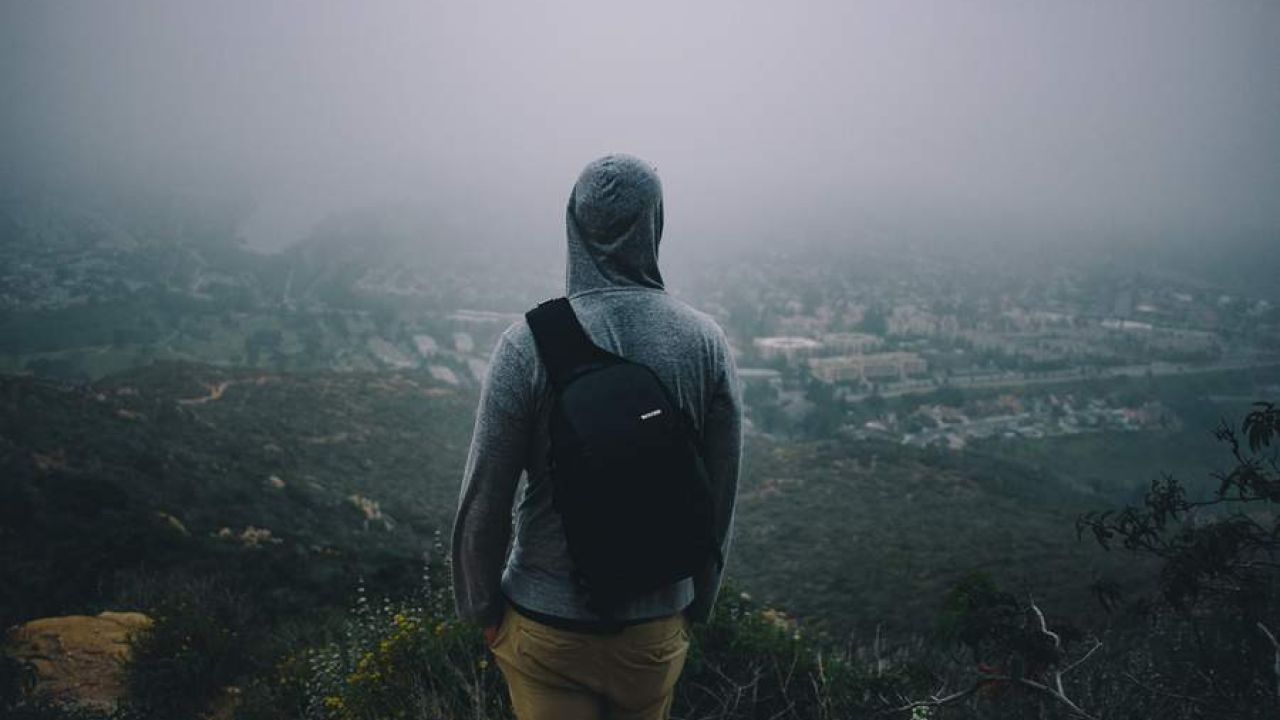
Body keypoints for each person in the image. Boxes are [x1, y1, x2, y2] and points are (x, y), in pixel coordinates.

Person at [451, 153, 743, 720]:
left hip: (545, 626)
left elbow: (486, 494)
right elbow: (721, 494)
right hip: (654, 629)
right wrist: (698, 603)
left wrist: (481, 610)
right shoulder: (704, 342)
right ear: (655, 224)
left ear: (573, 225)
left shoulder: (527, 343)